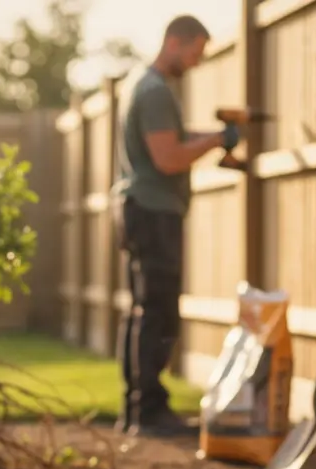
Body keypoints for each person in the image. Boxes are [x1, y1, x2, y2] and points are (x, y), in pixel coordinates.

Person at [113, 14, 236, 437]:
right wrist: (220, 140)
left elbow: (172, 140)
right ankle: (149, 412)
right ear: (175, 43)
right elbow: (169, 158)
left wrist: (212, 136)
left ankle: (136, 409)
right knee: (158, 311)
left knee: (143, 310)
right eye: (196, 52)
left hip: (138, 208)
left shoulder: (138, 85)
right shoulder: (154, 92)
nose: (197, 63)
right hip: (153, 211)